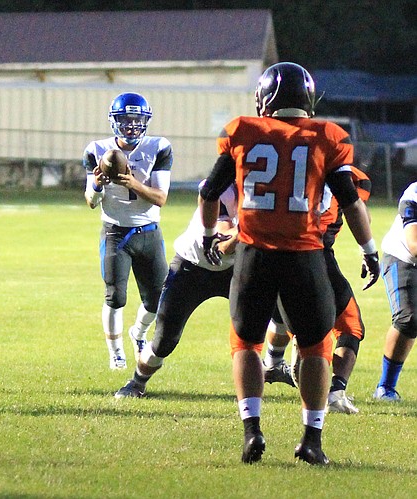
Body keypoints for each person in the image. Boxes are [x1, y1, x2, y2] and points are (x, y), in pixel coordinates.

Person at [198, 62, 380, 465]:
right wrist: (368, 249)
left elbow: (210, 191)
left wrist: (211, 236)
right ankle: (311, 439)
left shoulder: (242, 130)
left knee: (245, 341)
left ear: (265, 99)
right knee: (316, 346)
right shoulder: (328, 136)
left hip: (253, 253)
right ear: (308, 100)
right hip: (305, 255)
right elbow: (350, 201)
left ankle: (252, 432)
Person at [263, 166, 373, 415]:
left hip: (274, 252)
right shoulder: (353, 178)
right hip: (315, 255)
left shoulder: (289, 168)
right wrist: (369, 252)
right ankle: (333, 393)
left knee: (279, 319)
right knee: (348, 327)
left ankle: (273, 362)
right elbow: (360, 214)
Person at [115, 182, 238, 398]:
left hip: (237, 267)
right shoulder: (225, 189)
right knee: (164, 341)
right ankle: (137, 382)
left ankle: (274, 361)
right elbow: (223, 244)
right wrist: (254, 225)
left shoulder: (271, 192)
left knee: (273, 317)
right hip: (193, 265)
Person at [83, 92, 172, 370]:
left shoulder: (159, 147)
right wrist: (97, 185)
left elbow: (160, 198)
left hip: (148, 231)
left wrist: (133, 184)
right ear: (114, 122)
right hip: (115, 233)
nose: (131, 126)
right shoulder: (97, 150)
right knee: (115, 296)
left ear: (145, 122)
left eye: (136, 120)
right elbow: (90, 201)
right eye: (125, 120)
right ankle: (116, 352)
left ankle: (139, 333)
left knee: (157, 300)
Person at [373, 181, 417, 402]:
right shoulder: (414, 193)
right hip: (403, 258)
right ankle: (385, 387)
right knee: (408, 319)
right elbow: (414, 245)